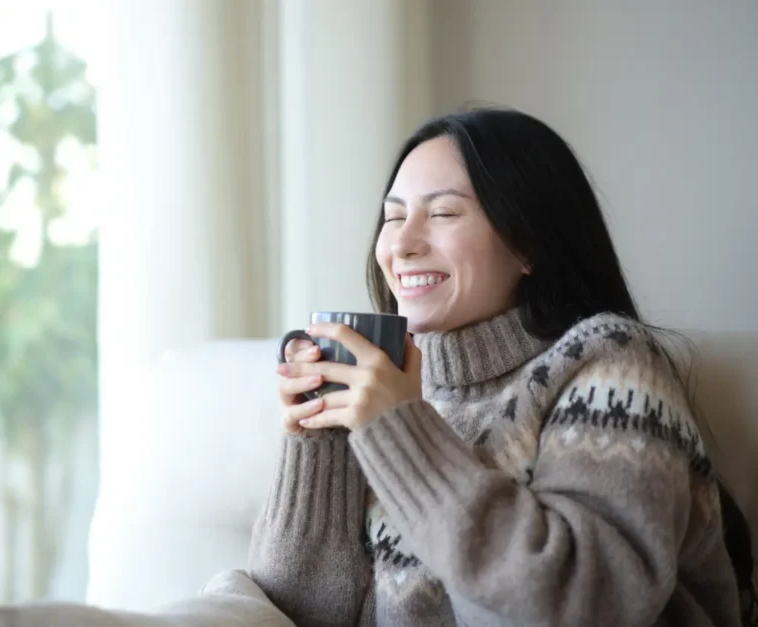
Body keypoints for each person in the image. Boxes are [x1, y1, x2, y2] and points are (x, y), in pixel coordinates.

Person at [248, 108, 752, 627]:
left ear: (527, 243)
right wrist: (317, 446)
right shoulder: (398, 396)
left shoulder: (610, 362)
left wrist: (401, 432)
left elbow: (585, 605)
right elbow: (301, 613)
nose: (401, 243)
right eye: (394, 216)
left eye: (442, 213)